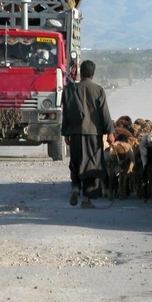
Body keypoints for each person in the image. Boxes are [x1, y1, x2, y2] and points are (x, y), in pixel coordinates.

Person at [62, 60, 116, 208]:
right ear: (93, 73)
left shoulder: (70, 89)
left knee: (76, 161)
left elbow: (65, 113)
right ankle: (86, 199)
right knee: (92, 164)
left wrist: (65, 133)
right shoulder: (98, 90)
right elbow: (104, 113)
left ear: (81, 72)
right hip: (93, 134)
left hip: (74, 133)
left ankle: (74, 188)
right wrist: (110, 132)